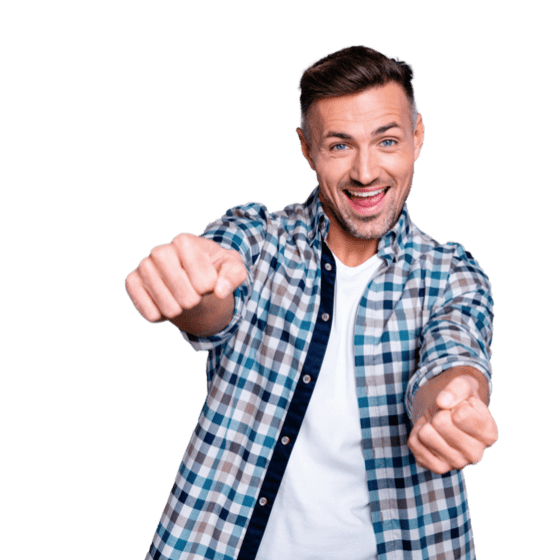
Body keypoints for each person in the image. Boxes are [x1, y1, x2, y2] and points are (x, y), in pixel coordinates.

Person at [125, 45, 498, 560]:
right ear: (306, 149)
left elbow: (455, 356)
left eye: (386, 140)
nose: (366, 172)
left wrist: (452, 404)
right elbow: (214, 301)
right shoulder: (260, 237)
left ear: (417, 138)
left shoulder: (450, 273)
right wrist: (193, 291)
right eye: (340, 146)